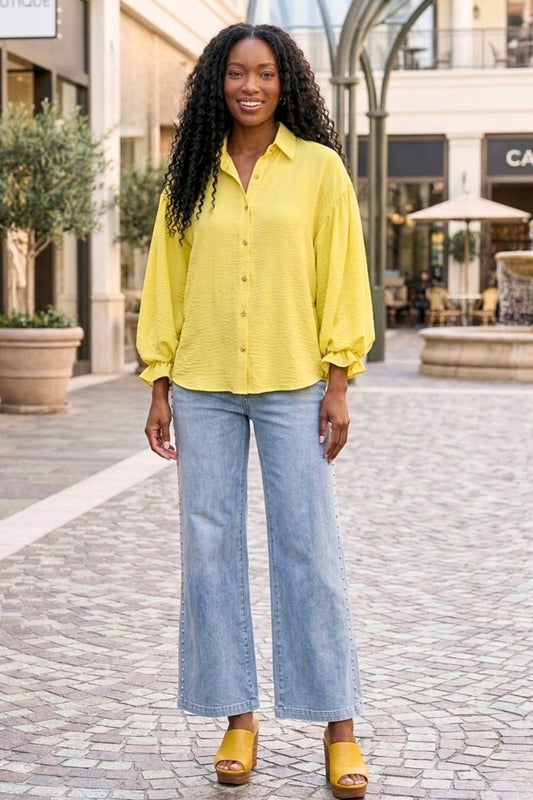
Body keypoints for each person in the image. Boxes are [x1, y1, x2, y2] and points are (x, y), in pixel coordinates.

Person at [137, 22, 374, 799]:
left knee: (308, 547)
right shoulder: (190, 175)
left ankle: (338, 726)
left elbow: (342, 272)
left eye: (264, 74)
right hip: (201, 382)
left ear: (285, 82)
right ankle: (237, 717)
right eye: (236, 73)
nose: (249, 86)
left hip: (291, 381)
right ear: (217, 81)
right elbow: (165, 280)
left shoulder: (318, 170)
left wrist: (338, 381)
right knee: (208, 551)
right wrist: (158, 381)